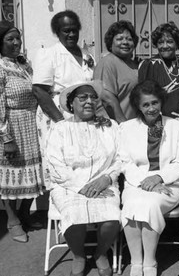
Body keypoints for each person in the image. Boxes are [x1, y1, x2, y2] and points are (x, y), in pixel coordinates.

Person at [45, 81, 121, 276]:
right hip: (68, 185)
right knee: (73, 214)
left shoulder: (110, 126)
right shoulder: (60, 128)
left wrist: (107, 178)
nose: (89, 101)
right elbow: (54, 164)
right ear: (72, 103)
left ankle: (100, 253)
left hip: (103, 183)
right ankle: (79, 255)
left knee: (112, 216)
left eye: (93, 97)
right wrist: (80, 186)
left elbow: (121, 158)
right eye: (83, 97)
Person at [0, 20, 44, 243]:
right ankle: (12, 220)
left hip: (29, 125)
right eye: (10, 39)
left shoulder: (23, 65)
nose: (16, 42)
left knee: (32, 172)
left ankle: (25, 214)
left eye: (18, 38)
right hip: (10, 126)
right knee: (11, 176)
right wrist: (6, 138)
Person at [118, 80, 179, 276]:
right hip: (136, 182)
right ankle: (136, 262)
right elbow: (124, 162)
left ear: (161, 102)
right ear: (138, 107)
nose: (151, 108)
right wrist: (146, 182)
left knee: (149, 205)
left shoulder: (176, 126)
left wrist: (159, 178)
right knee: (132, 204)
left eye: (155, 103)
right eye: (145, 104)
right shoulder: (126, 128)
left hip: (169, 184)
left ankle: (150, 261)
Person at [32, 10, 95, 185]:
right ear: (57, 32)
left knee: (82, 159)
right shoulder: (49, 54)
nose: (71, 34)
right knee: (61, 158)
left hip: (82, 113)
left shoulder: (86, 54)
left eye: (74, 29)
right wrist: (60, 122)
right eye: (66, 30)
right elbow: (39, 90)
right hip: (58, 114)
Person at [139, 22, 179, 140]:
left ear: (177, 44)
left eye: (169, 41)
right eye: (160, 42)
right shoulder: (149, 65)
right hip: (161, 124)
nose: (165, 46)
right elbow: (143, 97)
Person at [93, 20, 141, 122]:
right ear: (111, 43)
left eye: (129, 39)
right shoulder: (107, 63)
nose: (125, 42)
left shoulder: (134, 65)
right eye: (119, 39)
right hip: (115, 126)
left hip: (134, 125)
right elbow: (107, 99)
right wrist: (123, 125)